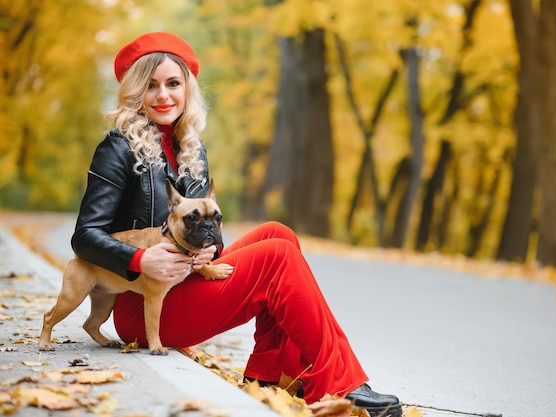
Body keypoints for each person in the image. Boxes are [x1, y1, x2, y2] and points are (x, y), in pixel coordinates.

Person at [72, 32, 402, 417]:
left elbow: (206, 235)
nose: (163, 95)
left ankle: (266, 375)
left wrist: (212, 250)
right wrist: (139, 259)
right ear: (135, 92)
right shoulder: (116, 148)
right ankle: (343, 386)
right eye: (151, 85)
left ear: (187, 89)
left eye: (173, 84)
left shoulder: (190, 147)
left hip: (185, 280)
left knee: (279, 234)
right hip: (143, 304)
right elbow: (85, 237)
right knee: (276, 258)